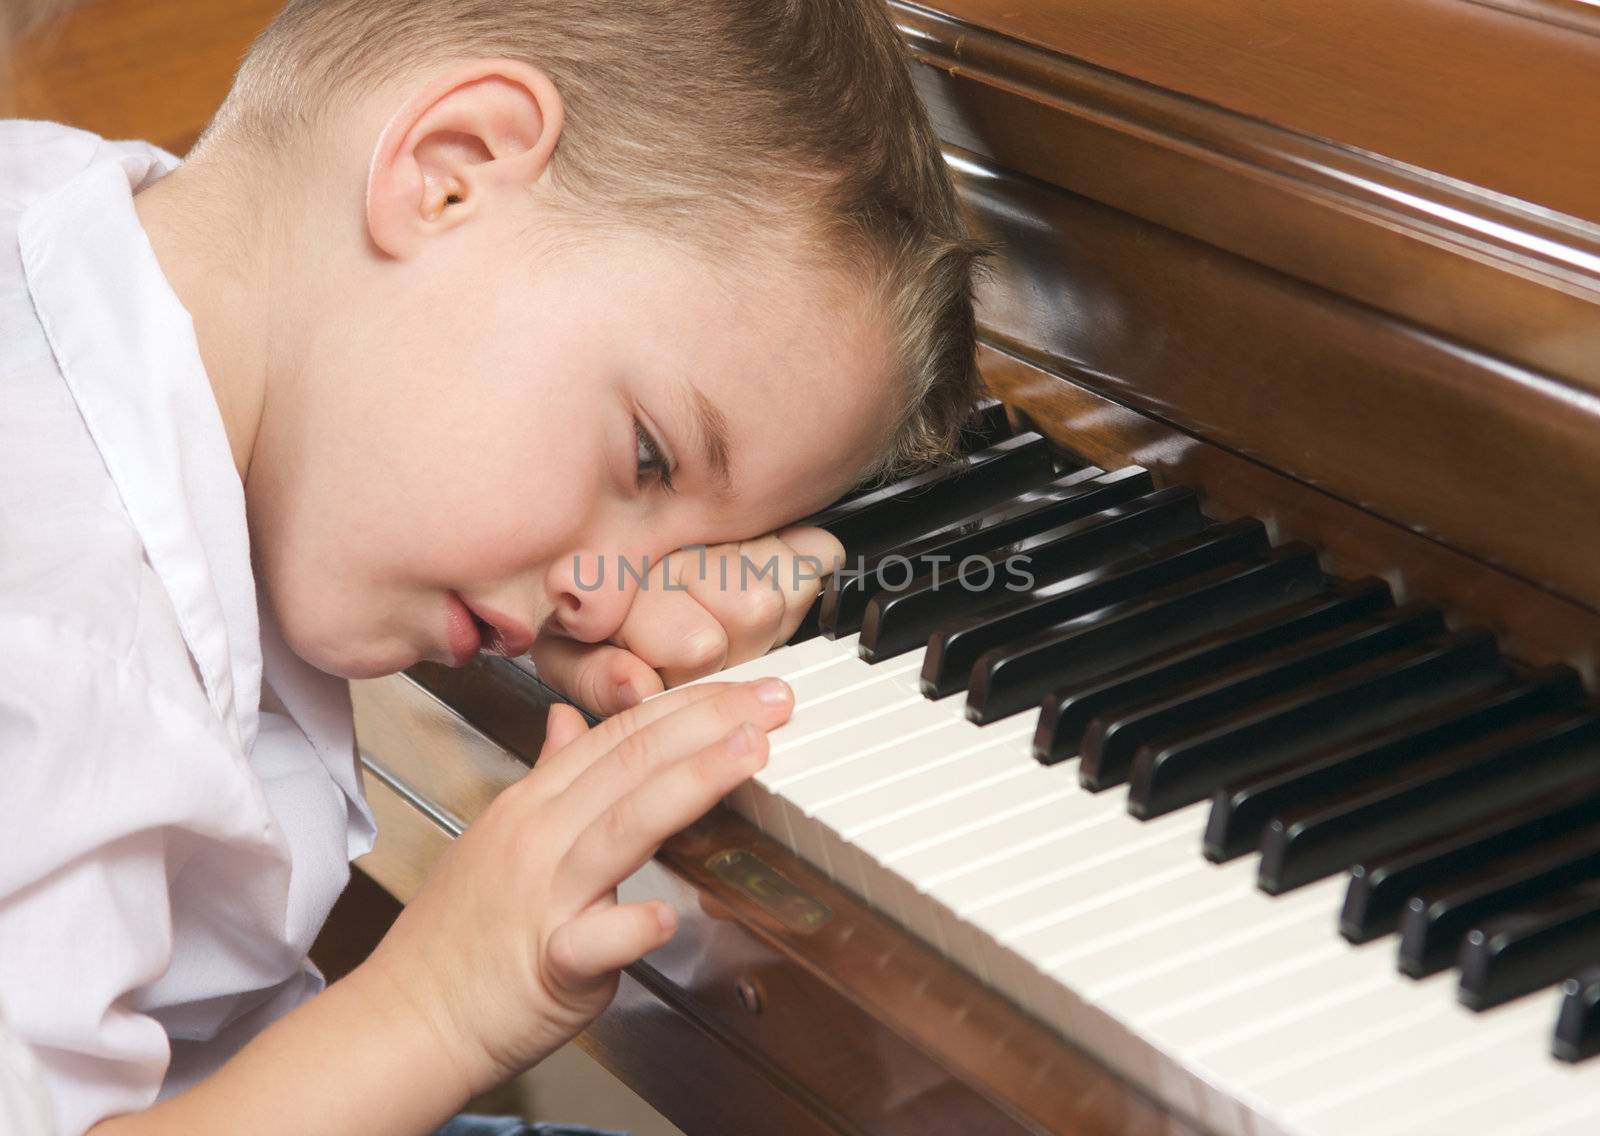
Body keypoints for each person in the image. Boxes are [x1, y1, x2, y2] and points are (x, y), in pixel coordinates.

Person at [0, 1, 982, 1133]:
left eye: (692, 549)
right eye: (649, 454)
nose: (616, 595)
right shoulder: (60, 647)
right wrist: (441, 1006)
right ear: (447, 172)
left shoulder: (78, 232)